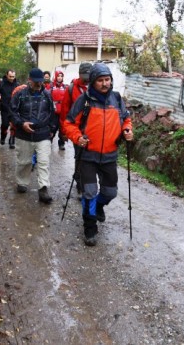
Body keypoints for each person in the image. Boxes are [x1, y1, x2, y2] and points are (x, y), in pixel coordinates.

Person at [63, 63, 133, 246]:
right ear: (93, 82)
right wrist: (78, 138)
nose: (104, 84)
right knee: (89, 192)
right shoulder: (84, 101)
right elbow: (69, 123)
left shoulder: (117, 99)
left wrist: (127, 130)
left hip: (110, 155)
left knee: (110, 192)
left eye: (107, 80)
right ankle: (90, 226)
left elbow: (126, 119)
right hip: (87, 155)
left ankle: (100, 206)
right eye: (100, 80)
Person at [9, 68, 57, 204]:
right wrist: (21, 123)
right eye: (36, 82)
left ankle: (43, 188)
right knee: (24, 162)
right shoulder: (20, 95)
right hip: (23, 135)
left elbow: (52, 113)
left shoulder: (47, 95)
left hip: (42, 134)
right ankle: (22, 182)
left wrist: (52, 129)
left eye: (41, 81)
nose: (39, 84)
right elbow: (12, 112)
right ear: (29, 80)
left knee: (43, 162)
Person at [60, 62, 92, 195]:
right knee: (79, 155)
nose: (87, 78)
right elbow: (65, 110)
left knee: (90, 157)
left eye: (89, 75)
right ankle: (80, 184)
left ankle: (85, 179)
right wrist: (64, 131)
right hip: (76, 129)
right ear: (79, 74)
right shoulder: (71, 88)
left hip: (92, 129)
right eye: (84, 75)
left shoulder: (95, 86)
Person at [0, 69, 19, 148]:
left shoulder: (17, 85)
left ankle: (12, 140)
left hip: (15, 109)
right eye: (10, 76)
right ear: (6, 75)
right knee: (5, 124)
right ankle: (3, 136)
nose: (12, 78)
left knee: (14, 126)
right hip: (5, 108)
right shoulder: (1, 84)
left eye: (13, 76)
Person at [49, 70, 67, 150]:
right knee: (53, 128)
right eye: (58, 76)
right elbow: (48, 98)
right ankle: (49, 142)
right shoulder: (51, 86)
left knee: (62, 129)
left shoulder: (65, 87)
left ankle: (61, 143)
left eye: (61, 76)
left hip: (63, 112)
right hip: (54, 111)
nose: (60, 78)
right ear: (56, 77)